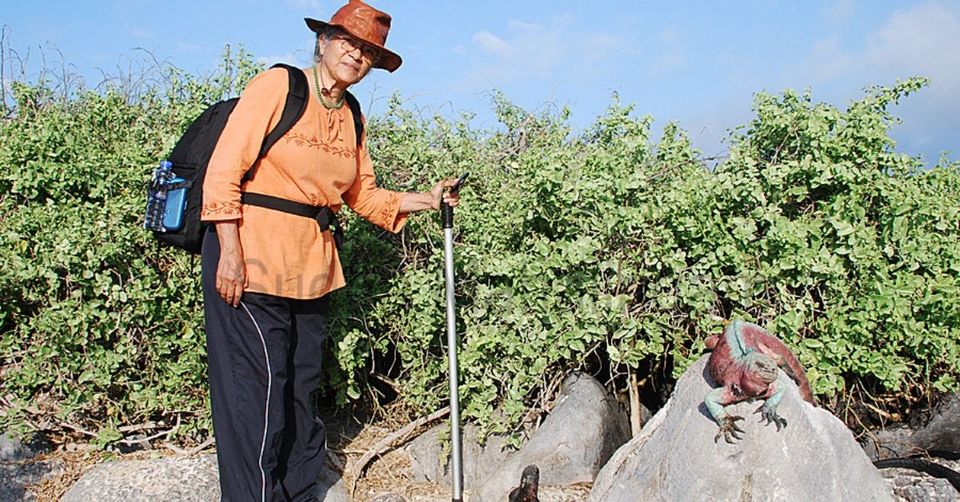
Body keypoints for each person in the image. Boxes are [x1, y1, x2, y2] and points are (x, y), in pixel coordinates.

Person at [198, 1, 461, 500]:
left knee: (299, 387)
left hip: (311, 268)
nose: (356, 55)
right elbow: (223, 170)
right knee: (258, 393)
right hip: (250, 258)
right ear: (323, 41)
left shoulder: (352, 115)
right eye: (348, 42)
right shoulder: (279, 87)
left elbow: (362, 195)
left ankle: (298, 492)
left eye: (367, 52)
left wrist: (427, 199)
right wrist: (229, 251)